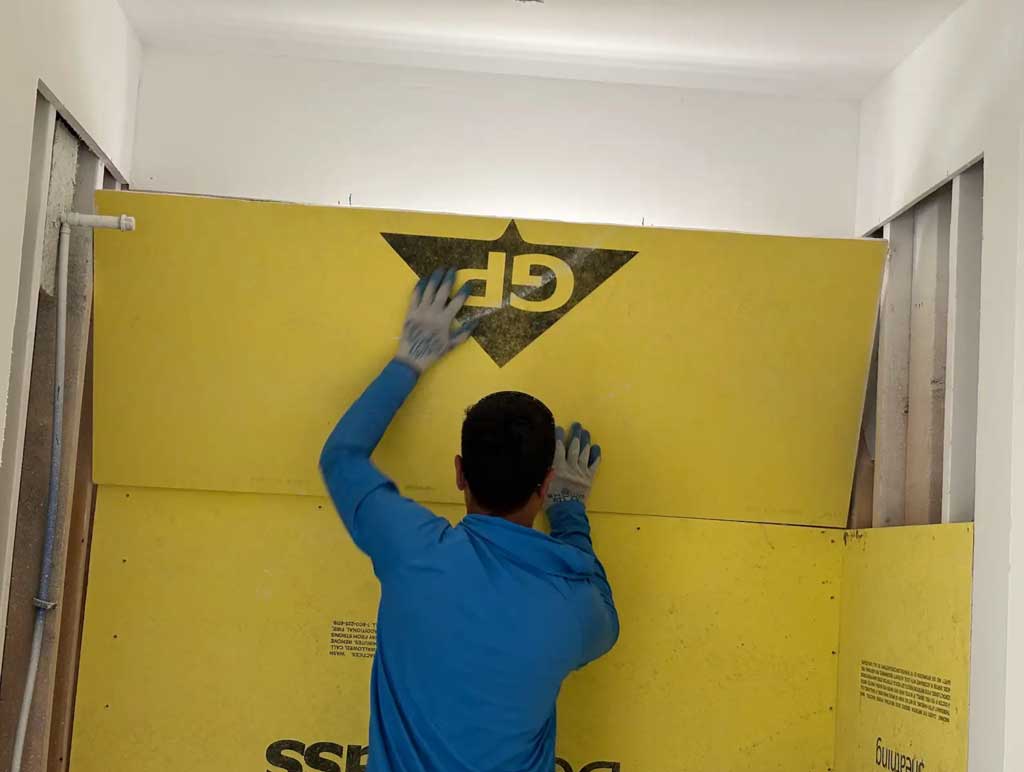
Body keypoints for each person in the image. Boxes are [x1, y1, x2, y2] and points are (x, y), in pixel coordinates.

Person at [320, 267, 619, 772]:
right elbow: (604, 621)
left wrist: (411, 357)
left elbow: (341, 457)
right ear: (544, 484)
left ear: (459, 473)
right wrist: (568, 511)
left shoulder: (413, 554)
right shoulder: (576, 605)